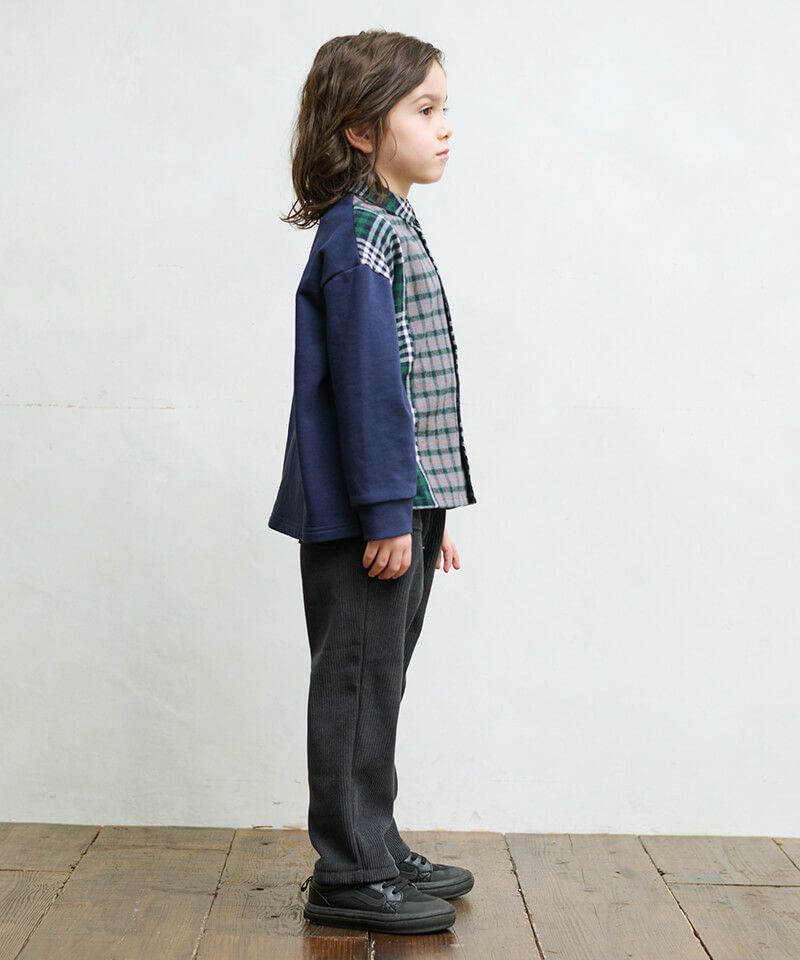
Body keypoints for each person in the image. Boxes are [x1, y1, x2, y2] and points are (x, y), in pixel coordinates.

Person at [268, 29, 478, 935]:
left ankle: (376, 844)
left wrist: (428, 506)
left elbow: (411, 382)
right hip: (366, 516)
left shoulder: (391, 225)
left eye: (445, 108)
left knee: (379, 682)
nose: (445, 127)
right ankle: (350, 873)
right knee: (356, 683)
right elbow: (368, 386)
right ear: (361, 130)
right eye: (424, 110)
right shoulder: (358, 238)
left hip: (400, 506)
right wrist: (390, 509)